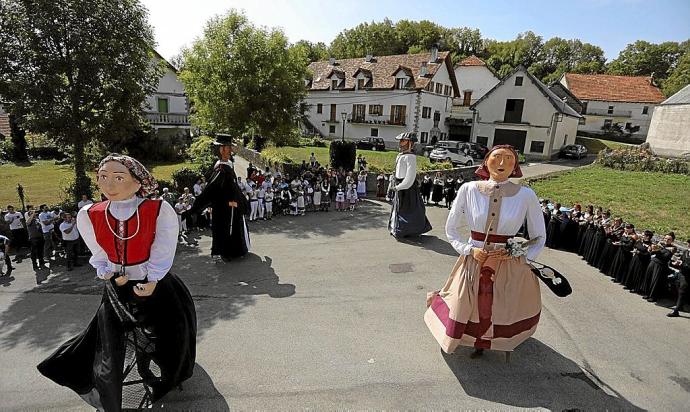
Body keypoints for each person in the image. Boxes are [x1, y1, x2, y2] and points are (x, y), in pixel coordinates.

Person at [37, 153, 196, 410]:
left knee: (170, 332)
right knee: (110, 342)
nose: (108, 185)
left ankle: (168, 372)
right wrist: (105, 270)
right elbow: (99, 251)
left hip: (153, 282)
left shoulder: (156, 209)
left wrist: (154, 278)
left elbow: (163, 247)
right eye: (103, 177)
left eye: (118, 177)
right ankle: (110, 394)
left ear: (137, 182)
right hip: (116, 287)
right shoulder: (90, 214)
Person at [424, 145, 545, 357]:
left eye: (509, 159)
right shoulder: (468, 189)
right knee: (465, 302)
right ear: (486, 161)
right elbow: (451, 229)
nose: (501, 163)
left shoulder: (526, 195)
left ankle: (491, 343)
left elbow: (539, 236)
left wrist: (520, 257)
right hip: (474, 260)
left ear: (516, 166)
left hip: (506, 264)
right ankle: (462, 338)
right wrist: (469, 250)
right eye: (496, 157)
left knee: (500, 307)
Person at [186, 134, 250, 262]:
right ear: (222, 149)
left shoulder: (229, 164)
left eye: (230, 147)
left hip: (233, 204)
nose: (231, 149)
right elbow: (211, 189)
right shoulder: (221, 168)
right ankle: (226, 253)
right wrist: (196, 208)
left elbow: (234, 186)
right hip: (225, 206)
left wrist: (241, 200)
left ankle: (237, 251)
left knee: (236, 226)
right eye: (228, 147)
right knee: (225, 228)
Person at [388, 132, 432, 238]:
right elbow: (396, 172)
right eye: (400, 141)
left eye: (403, 141)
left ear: (410, 143)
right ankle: (396, 228)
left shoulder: (411, 157)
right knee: (397, 209)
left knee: (409, 210)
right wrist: (393, 182)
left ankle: (404, 230)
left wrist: (399, 187)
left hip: (407, 188)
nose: (400, 143)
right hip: (399, 184)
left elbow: (410, 177)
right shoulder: (400, 156)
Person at [642, 232, 677, 302]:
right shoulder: (661, 244)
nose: (666, 240)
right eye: (666, 238)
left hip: (660, 265)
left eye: (669, 239)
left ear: (672, 241)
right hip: (653, 262)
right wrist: (651, 249)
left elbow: (666, 257)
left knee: (655, 280)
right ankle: (647, 293)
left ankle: (653, 296)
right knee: (648, 278)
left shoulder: (672, 248)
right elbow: (652, 252)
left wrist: (657, 251)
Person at [668, 238, 690, 317]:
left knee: (682, 291)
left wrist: (682, 264)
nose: (688, 245)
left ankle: (676, 310)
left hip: (688, 276)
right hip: (681, 274)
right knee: (679, 290)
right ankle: (680, 305)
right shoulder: (686, 252)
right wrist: (676, 262)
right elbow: (681, 260)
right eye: (688, 243)